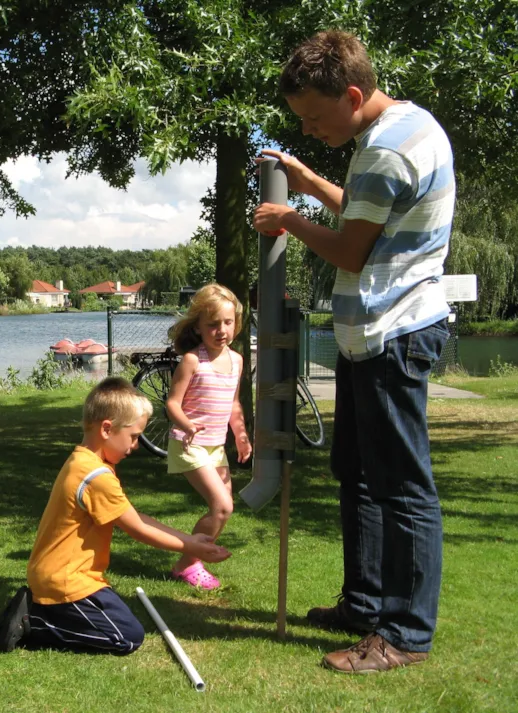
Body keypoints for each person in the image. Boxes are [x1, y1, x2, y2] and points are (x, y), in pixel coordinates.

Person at [253, 30, 453, 673]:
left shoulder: (383, 152)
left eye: (314, 115)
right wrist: (310, 184)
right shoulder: (404, 129)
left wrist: (287, 219)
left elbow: (349, 249)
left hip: (392, 333)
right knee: (360, 477)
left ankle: (403, 635)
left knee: (402, 488)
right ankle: (363, 604)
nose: (309, 128)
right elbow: (372, 219)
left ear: (354, 95)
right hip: (371, 335)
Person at [0, 377, 231, 654]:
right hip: (66, 579)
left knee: (122, 623)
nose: (135, 445)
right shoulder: (95, 475)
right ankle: (35, 622)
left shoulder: (85, 460)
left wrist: (189, 538)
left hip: (68, 576)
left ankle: (43, 608)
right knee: (126, 638)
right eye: (134, 436)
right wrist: (190, 547)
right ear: (107, 429)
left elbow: (132, 516)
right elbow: (136, 528)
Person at [165, 284, 251, 590]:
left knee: (224, 509)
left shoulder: (238, 360)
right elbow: (172, 403)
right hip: (189, 444)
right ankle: (189, 563)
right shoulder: (193, 361)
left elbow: (234, 403)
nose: (221, 330)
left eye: (228, 323)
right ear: (198, 328)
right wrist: (187, 424)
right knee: (223, 506)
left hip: (216, 446)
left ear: (237, 324)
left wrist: (240, 434)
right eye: (213, 324)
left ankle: (186, 564)